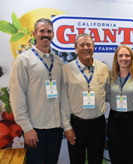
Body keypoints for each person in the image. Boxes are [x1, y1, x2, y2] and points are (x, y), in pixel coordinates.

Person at [9, 18, 64, 164]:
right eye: (42, 31)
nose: (46, 34)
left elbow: (63, 95)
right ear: (34, 34)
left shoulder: (58, 62)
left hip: (56, 128)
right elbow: (17, 96)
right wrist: (27, 128)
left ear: (53, 34)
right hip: (35, 129)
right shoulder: (23, 60)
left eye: (49, 31)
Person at [61, 33, 110, 164]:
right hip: (76, 124)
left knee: (96, 160)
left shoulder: (103, 67)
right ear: (75, 48)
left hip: (98, 124)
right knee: (76, 160)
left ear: (94, 47)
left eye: (89, 44)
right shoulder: (66, 69)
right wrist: (67, 127)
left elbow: (108, 92)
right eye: (81, 45)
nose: (85, 48)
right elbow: (63, 100)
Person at [107, 45, 133, 164]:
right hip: (114, 120)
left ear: (131, 58)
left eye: (127, 55)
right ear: (116, 58)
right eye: (120, 55)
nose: (124, 58)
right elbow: (107, 95)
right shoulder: (110, 76)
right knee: (115, 155)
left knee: (131, 155)